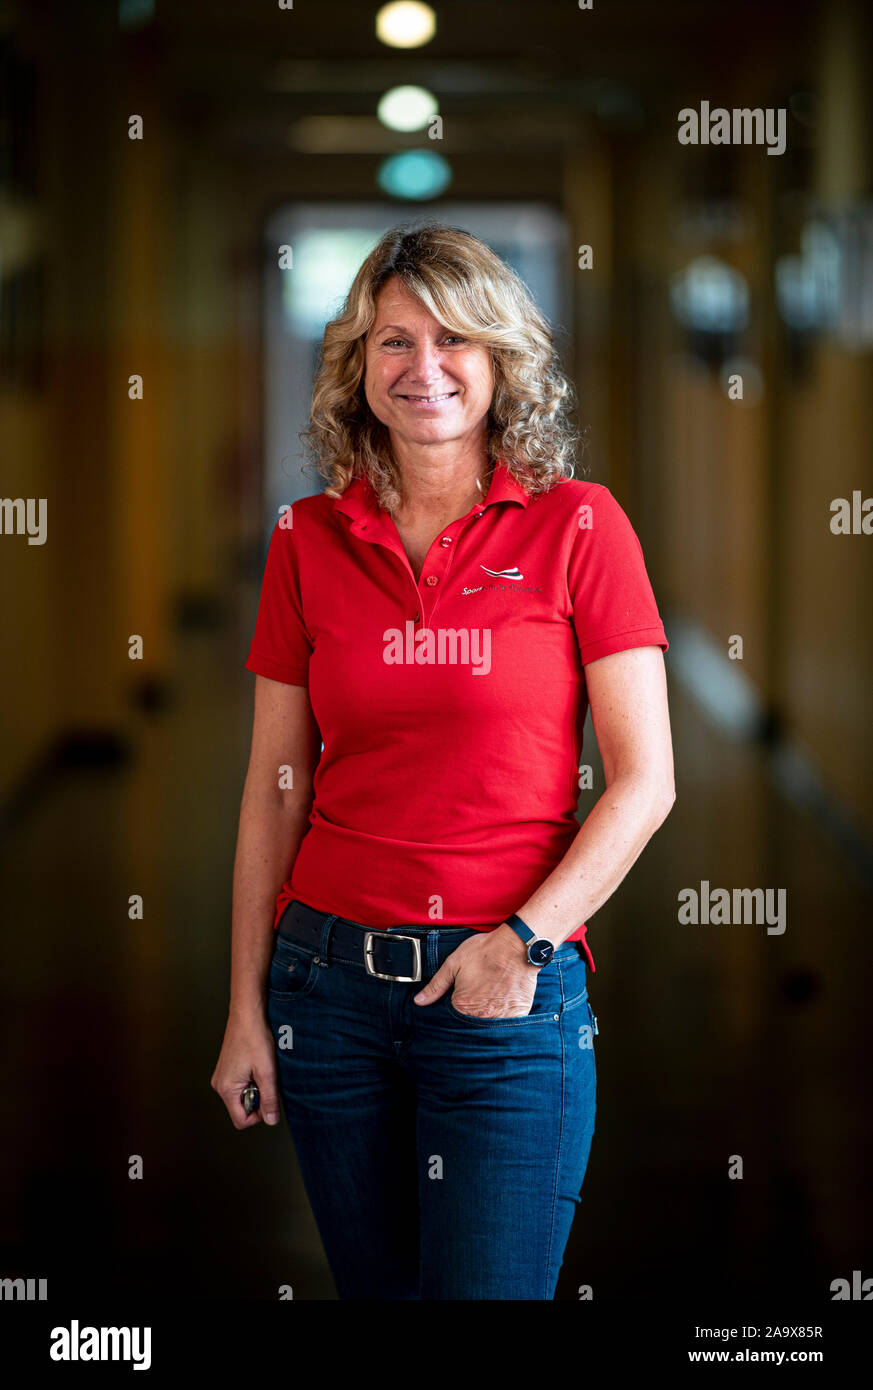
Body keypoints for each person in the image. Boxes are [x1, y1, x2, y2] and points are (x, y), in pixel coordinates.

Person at [211, 222, 675, 1300]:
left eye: (457, 340)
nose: (425, 368)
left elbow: (645, 780)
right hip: (324, 994)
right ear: (358, 368)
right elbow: (274, 788)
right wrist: (246, 1007)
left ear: (503, 360)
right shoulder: (306, 540)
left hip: (504, 998)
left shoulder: (580, 529)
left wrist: (522, 944)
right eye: (393, 342)